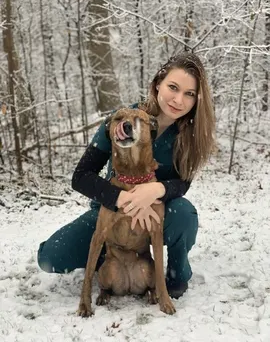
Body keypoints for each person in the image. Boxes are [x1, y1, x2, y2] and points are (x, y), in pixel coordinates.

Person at [38, 52, 215, 299]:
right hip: (111, 211)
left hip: (154, 213)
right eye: (173, 87)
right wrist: (122, 199)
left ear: (197, 99)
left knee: (184, 213)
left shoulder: (190, 134)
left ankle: (176, 273)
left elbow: (182, 183)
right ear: (157, 84)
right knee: (50, 257)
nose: (178, 100)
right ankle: (113, 259)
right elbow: (81, 176)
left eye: (189, 94)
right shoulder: (123, 119)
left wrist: (155, 191)